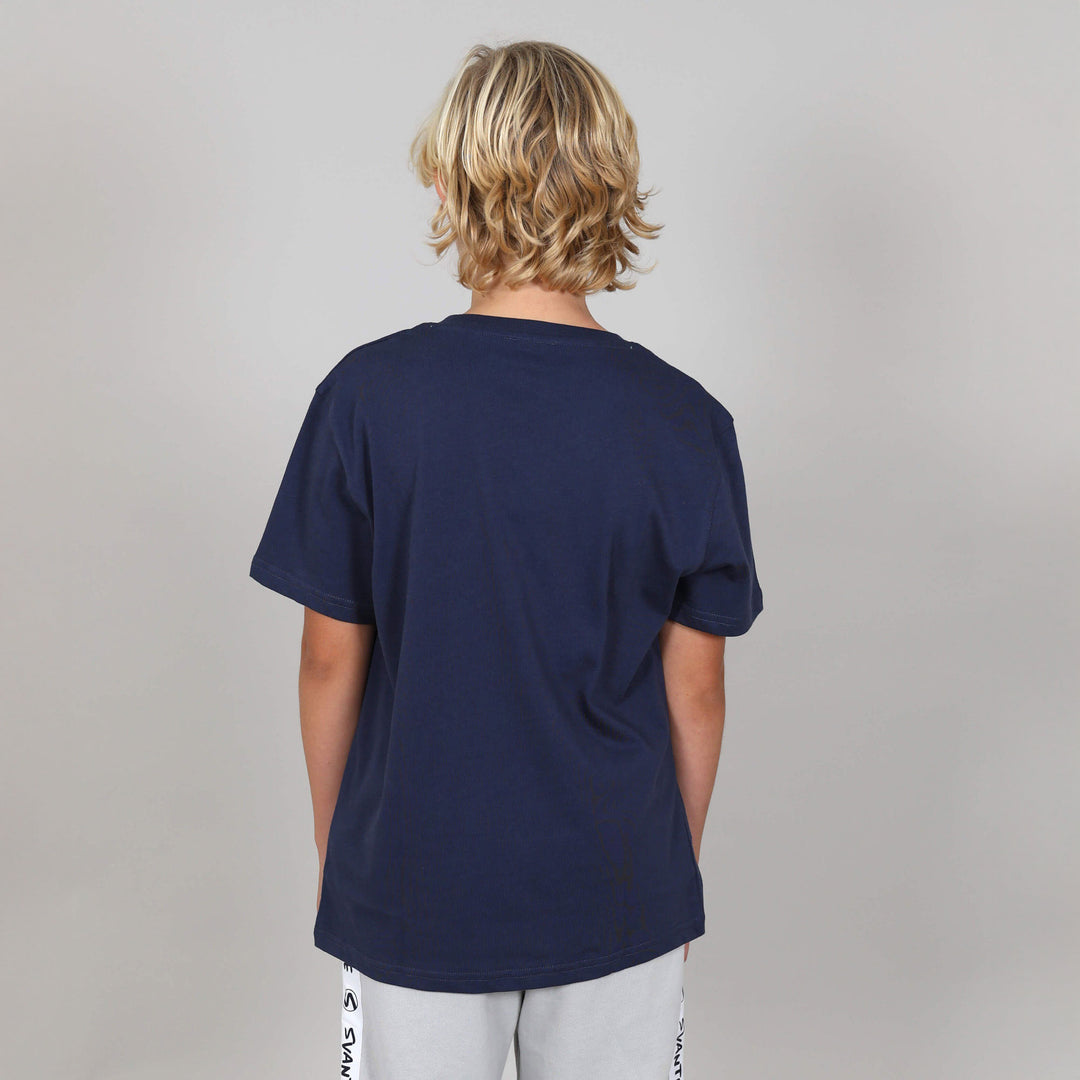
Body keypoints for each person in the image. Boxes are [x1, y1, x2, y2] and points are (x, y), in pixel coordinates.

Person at [249, 39, 764, 1080]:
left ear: (446, 180)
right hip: (619, 882)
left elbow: (326, 663)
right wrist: (671, 871)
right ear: (610, 186)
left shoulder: (367, 399)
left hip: (415, 883)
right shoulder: (685, 421)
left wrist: (340, 857)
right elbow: (696, 688)